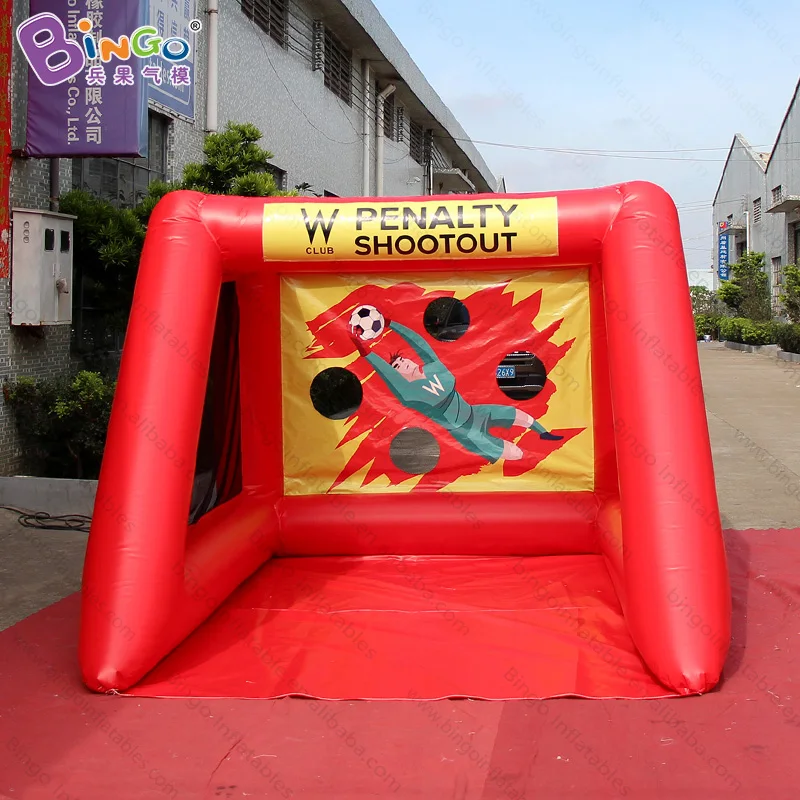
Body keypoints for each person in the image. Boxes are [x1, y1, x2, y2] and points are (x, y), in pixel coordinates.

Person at [350, 314, 563, 463]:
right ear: (399, 375)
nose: (403, 364)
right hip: (467, 432)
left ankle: (544, 434)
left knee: (518, 415)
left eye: (402, 360)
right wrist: (362, 347)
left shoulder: (434, 368)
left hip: (476, 411)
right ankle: (543, 464)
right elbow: (383, 372)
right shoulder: (409, 393)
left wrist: (391, 324)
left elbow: (420, 344)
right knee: (516, 454)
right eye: (397, 367)